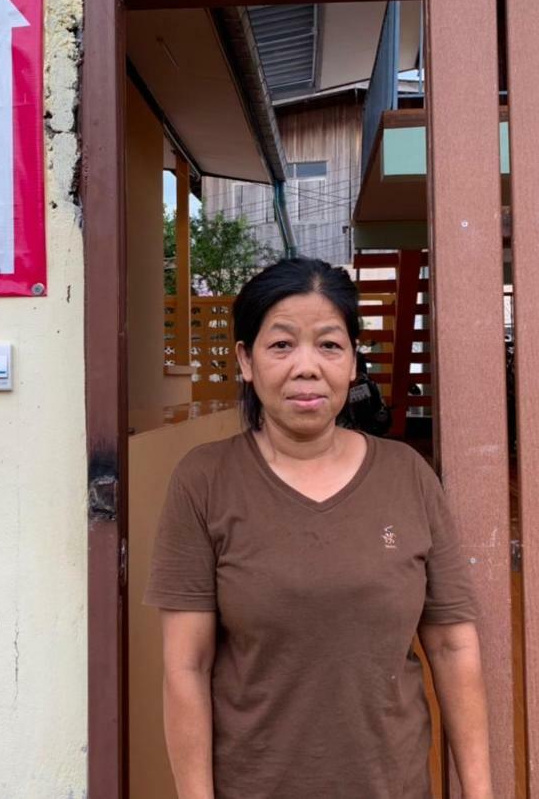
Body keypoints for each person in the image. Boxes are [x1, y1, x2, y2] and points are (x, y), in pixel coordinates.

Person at [144, 257, 492, 799]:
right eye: (281, 345)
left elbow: (451, 645)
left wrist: (479, 792)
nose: (306, 367)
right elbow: (187, 665)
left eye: (329, 345)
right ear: (246, 360)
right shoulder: (204, 480)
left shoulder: (408, 476)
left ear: (353, 362)